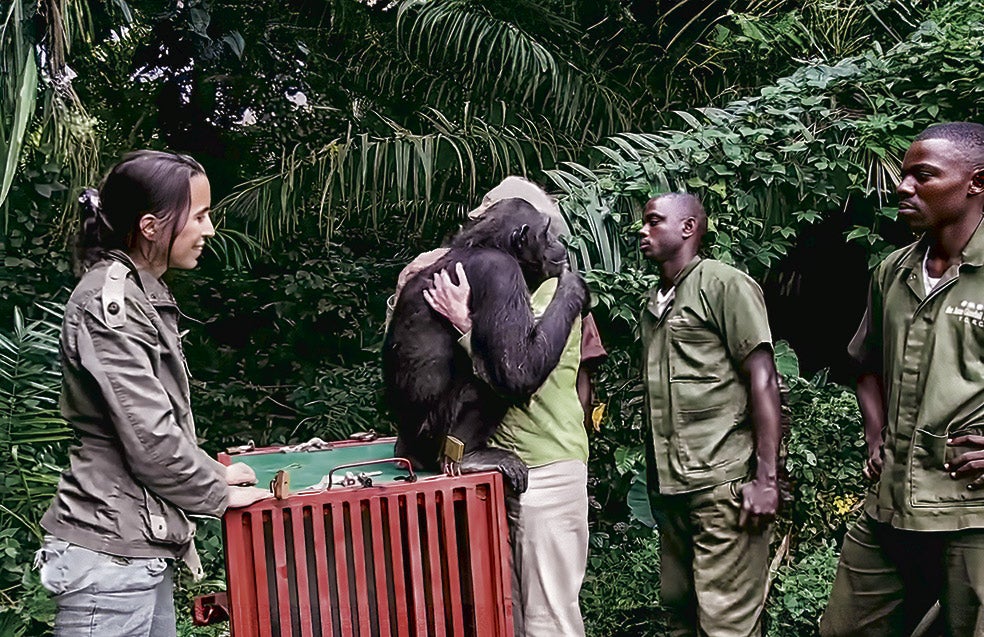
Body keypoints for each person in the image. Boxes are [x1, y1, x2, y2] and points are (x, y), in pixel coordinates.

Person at [34, 150, 271, 637]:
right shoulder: (109, 305)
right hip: (108, 556)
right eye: (200, 216)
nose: (209, 230)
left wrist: (214, 472)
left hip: (134, 551)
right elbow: (151, 440)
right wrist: (218, 491)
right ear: (150, 225)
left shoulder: (142, 295)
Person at [417, 176, 606, 637]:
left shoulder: (550, 291)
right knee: (512, 617)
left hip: (546, 467)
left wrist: (464, 324)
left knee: (550, 620)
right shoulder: (504, 282)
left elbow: (518, 372)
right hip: (507, 467)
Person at [820, 122, 984, 637]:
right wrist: (875, 435)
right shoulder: (893, 271)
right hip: (888, 504)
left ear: (976, 182)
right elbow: (866, 361)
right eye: (904, 175)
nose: (902, 187)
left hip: (972, 510)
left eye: (923, 176)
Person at [637, 192, 782, 636]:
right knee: (679, 611)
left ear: (688, 228)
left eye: (653, 221)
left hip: (723, 486)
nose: (642, 231)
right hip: (672, 487)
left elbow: (764, 380)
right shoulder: (655, 301)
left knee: (727, 624)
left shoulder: (724, 285)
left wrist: (766, 479)